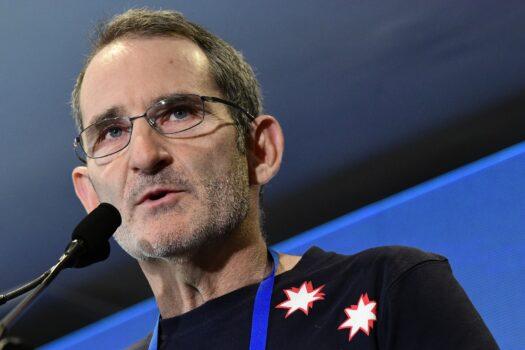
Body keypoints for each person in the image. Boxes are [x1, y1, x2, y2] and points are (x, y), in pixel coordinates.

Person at [70, 8, 499, 350]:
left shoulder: (387, 289)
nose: (145, 155)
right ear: (91, 197)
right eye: (111, 132)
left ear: (260, 150)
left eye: (180, 112)